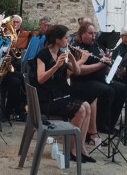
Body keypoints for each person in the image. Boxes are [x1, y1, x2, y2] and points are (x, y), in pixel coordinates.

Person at [35, 24, 94, 163]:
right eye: (66, 38)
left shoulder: (62, 53)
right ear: (57, 40)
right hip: (48, 99)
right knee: (80, 110)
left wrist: (73, 58)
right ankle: (71, 149)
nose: (68, 40)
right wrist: (56, 66)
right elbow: (41, 79)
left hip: (61, 95)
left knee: (87, 106)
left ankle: (81, 148)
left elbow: (77, 72)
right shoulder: (43, 55)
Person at [71, 21, 125, 137]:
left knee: (122, 89)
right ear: (81, 34)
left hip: (98, 78)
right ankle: (100, 124)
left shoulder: (96, 46)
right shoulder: (76, 47)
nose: (93, 36)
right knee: (107, 91)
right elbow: (78, 70)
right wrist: (100, 65)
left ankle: (110, 123)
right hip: (83, 81)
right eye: (90, 33)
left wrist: (108, 64)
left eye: (94, 33)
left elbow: (103, 66)